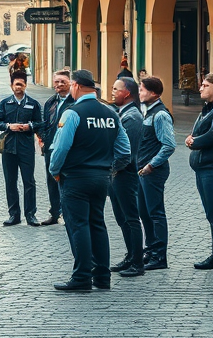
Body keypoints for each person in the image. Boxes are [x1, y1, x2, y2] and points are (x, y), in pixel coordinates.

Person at [48, 70, 131, 291]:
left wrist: (54, 171)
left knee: (79, 226)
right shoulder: (111, 113)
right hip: (101, 177)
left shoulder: (72, 113)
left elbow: (61, 148)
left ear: (75, 86)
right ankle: (102, 277)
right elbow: (125, 150)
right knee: (97, 224)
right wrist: (109, 170)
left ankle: (82, 277)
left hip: (75, 178)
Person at [0, 70, 43, 226]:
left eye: (21, 84)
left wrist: (29, 126)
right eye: (16, 84)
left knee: (29, 182)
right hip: (8, 148)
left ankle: (31, 215)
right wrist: (9, 126)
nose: (19, 87)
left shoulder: (33, 104)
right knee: (10, 182)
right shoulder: (5, 103)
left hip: (26, 147)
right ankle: (14, 215)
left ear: (25, 85)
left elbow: (40, 123)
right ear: (11, 86)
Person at [136, 76, 174, 270]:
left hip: (153, 171)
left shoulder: (160, 115)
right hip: (143, 171)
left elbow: (169, 145)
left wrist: (151, 165)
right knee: (144, 212)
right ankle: (150, 250)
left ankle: (160, 257)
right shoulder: (147, 111)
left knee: (155, 213)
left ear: (153, 93)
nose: (139, 93)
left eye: (142, 90)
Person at [109, 77, 146, 278]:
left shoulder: (131, 117)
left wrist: (112, 170)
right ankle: (130, 255)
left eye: (116, 89)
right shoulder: (122, 113)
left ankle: (137, 262)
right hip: (117, 174)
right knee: (122, 218)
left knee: (131, 218)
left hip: (125, 174)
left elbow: (126, 153)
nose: (112, 91)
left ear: (127, 93)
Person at [39, 69, 73, 226]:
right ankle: (54, 213)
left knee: (66, 181)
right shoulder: (50, 102)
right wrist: (44, 141)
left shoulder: (74, 102)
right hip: (50, 149)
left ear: (70, 83)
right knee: (51, 181)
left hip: (68, 150)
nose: (59, 84)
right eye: (57, 81)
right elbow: (44, 124)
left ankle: (67, 214)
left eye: (63, 82)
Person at [186, 73, 213, 270]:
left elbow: (210, 136)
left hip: (210, 168)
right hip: (202, 168)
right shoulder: (205, 109)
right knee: (209, 213)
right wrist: (191, 137)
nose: (201, 88)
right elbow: (198, 132)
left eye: (205, 85)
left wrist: (193, 141)